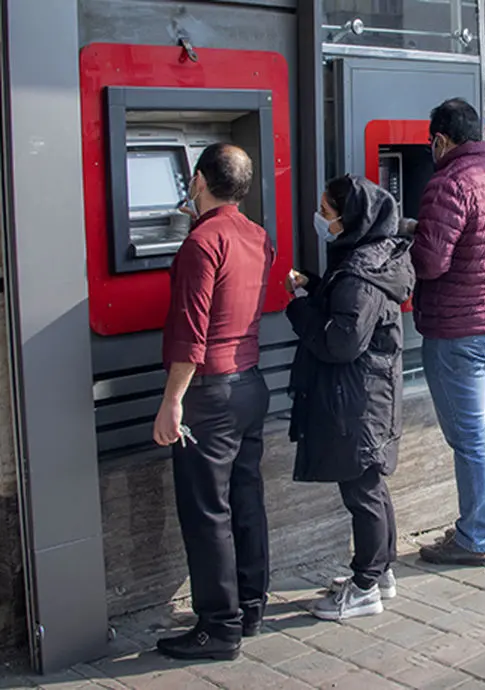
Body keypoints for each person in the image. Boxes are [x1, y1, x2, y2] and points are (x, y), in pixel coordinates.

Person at [153, 143, 274, 661]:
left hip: (209, 394)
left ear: (198, 180)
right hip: (250, 385)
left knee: (206, 512)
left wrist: (172, 402)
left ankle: (217, 628)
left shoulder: (203, 243)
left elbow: (190, 333)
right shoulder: (256, 236)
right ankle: (249, 607)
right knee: (245, 500)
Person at [285, 175, 415, 620]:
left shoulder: (361, 271)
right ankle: (380, 573)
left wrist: (299, 309)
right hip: (368, 392)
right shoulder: (372, 258)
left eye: (326, 210)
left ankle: (364, 587)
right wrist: (317, 286)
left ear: (351, 216)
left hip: (358, 398)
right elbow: (349, 309)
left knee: (362, 489)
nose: (321, 219)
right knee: (371, 486)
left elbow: (341, 342)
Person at [409, 98, 485, 567]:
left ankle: (474, 537)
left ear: (439, 139)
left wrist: (406, 240)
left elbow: (431, 262)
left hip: (460, 331)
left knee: (470, 437)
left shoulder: (450, 182)